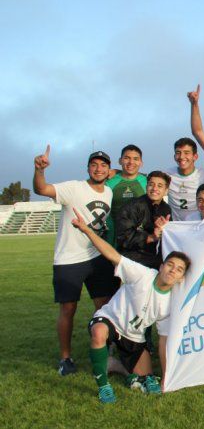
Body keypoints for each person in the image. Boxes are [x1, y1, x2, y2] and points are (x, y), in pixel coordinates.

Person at [70, 208, 190, 403]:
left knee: (146, 377)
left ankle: (113, 365)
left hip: (134, 336)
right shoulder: (142, 274)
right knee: (99, 332)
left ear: (181, 278)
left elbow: (163, 341)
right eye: (170, 265)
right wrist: (87, 230)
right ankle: (103, 387)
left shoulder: (170, 303)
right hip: (111, 319)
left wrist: (166, 378)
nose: (172, 270)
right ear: (161, 266)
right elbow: (112, 255)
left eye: (178, 270)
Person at [32, 146, 120, 376]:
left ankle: (105, 349)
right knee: (68, 309)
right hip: (69, 259)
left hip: (97, 257)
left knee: (104, 307)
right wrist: (39, 170)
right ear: (88, 168)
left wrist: (115, 172)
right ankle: (65, 357)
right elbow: (41, 188)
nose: (99, 168)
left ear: (109, 170)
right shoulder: (74, 188)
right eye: (94, 164)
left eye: (103, 165)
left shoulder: (108, 192)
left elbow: (118, 173)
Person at [115, 171, 173, 269]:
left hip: (156, 260)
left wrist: (165, 231)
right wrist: (151, 237)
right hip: (132, 260)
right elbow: (123, 236)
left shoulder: (166, 209)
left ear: (166, 190)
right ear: (146, 187)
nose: (154, 189)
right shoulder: (132, 206)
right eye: (151, 184)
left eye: (159, 186)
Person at [105, 144, 147, 245]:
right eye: (127, 158)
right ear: (120, 161)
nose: (131, 162)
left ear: (141, 163)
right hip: (114, 237)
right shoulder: (108, 182)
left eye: (135, 159)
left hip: (139, 238)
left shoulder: (148, 182)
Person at [165, 137, 204, 221]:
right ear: (174, 156)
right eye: (178, 153)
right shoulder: (167, 175)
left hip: (199, 226)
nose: (181, 156)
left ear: (195, 156)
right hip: (177, 227)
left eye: (186, 153)